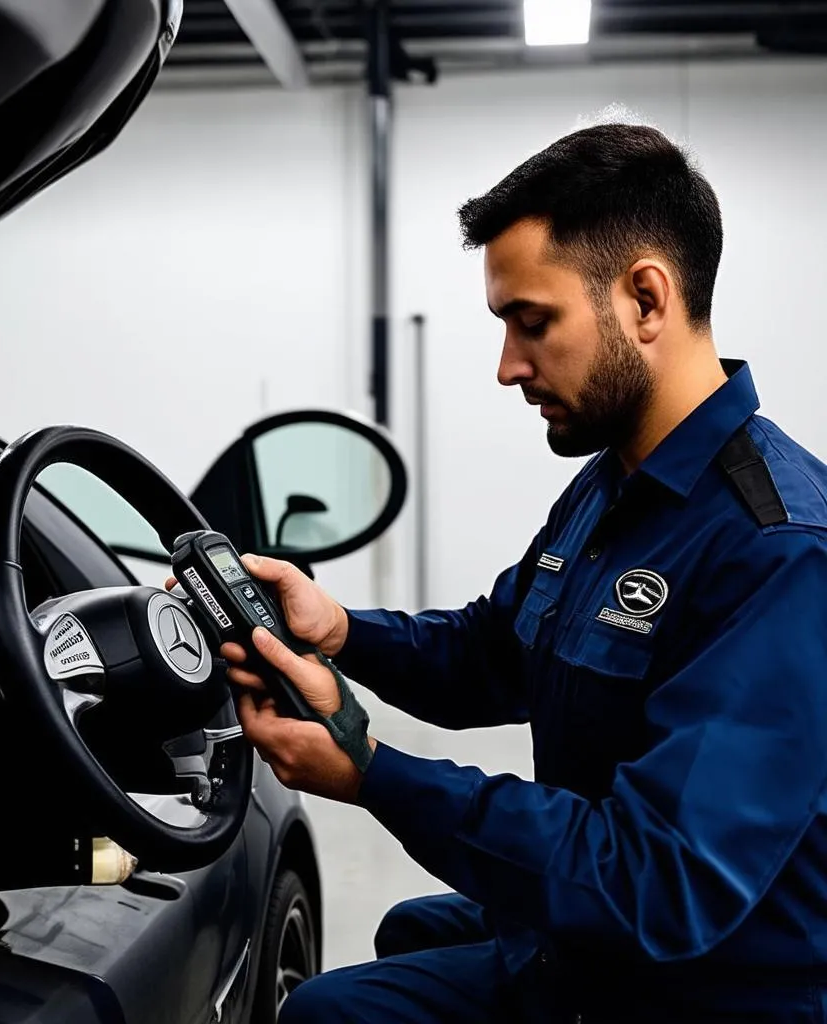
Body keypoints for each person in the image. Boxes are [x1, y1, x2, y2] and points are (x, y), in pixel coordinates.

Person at [218, 121, 827, 1022]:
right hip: (603, 937)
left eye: (532, 323)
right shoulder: (612, 485)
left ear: (646, 299)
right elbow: (494, 651)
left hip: (702, 984)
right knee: (410, 928)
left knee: (324, 1015)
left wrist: (371, 772)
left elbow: (658, 882)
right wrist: (339, 628)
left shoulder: (778, 552)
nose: (508, 368)